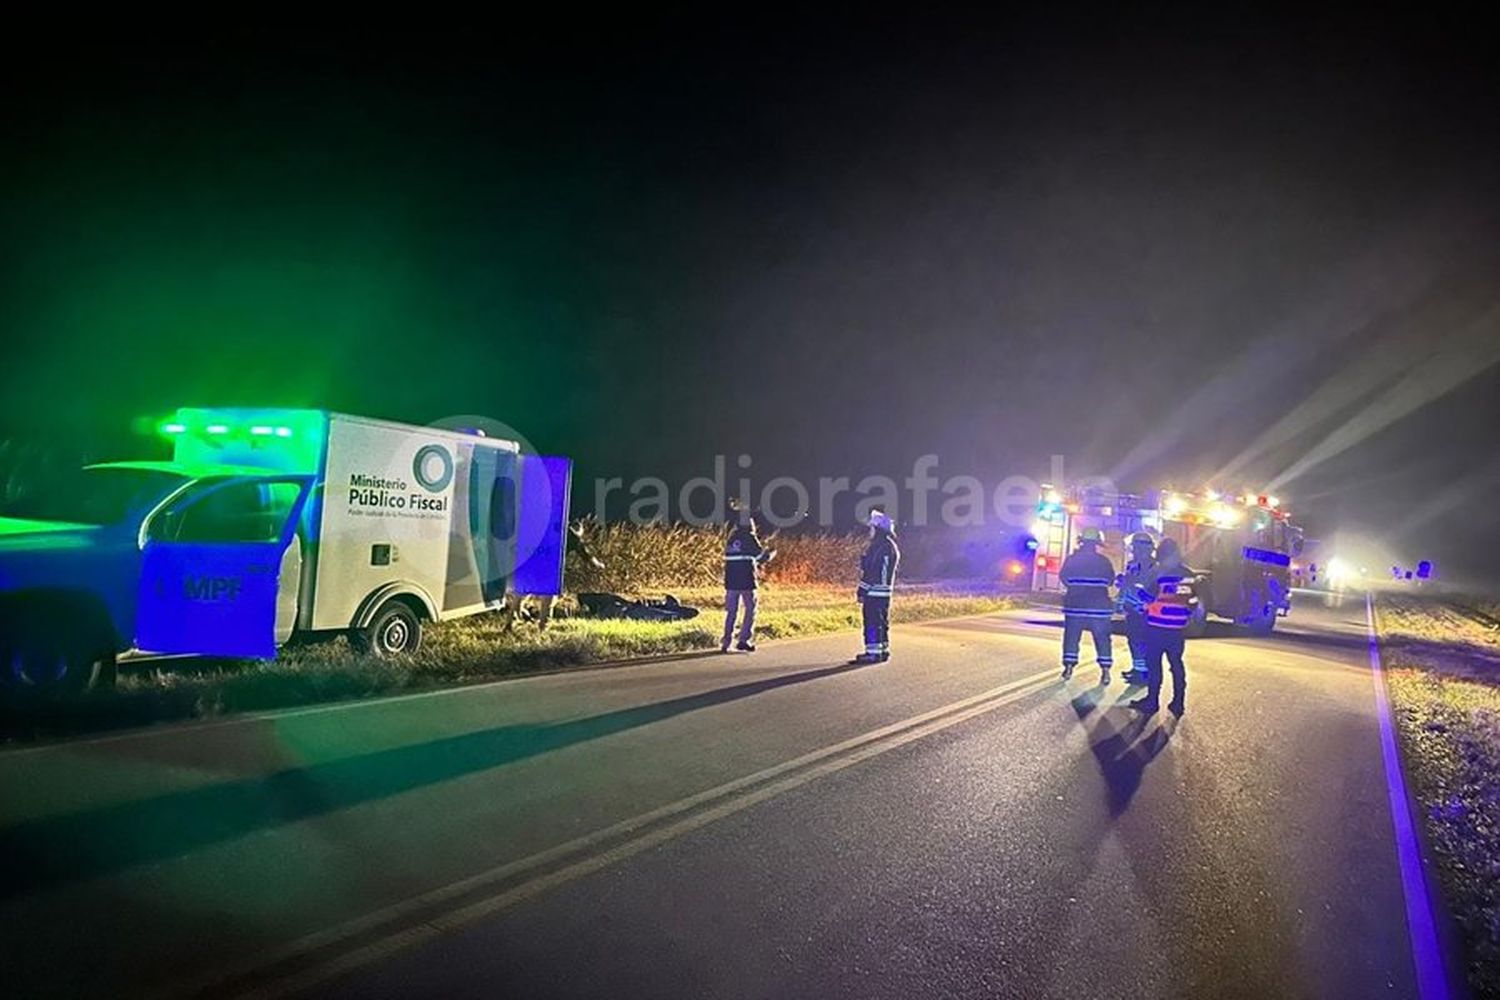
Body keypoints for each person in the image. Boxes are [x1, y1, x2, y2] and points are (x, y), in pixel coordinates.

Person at [1129, 536, 1194, 716]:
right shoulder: (1188, 574)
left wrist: (1138, 591)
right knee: (1176, 664)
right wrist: (1184, 615)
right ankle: (1178, 702)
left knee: (1154, 665)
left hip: (1156, 626)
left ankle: (1152, 701)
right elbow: (1192, 600)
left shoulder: (1159, 574)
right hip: (1178, 629)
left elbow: (1149, 598)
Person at [1059, 526, 1115, 683]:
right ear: (1097, 543)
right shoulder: (1104, 562)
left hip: (1075, 606)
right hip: (1099, 608)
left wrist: (1077, 586)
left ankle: (1069, 668)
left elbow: (1064, 578)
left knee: (1071, 637)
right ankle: (1105, 671)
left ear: (1081, 542)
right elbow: (1110, 581)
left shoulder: (1071, 560)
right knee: (1102, 638)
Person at [851, 509, 900, 664]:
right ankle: (882, 651)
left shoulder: (878, 547)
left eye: (872, 528)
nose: (870, 531)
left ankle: (872, 653)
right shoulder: (890, 546)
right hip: (885, 592)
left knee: (872, 622)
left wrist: (862, 589)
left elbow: (872, 571)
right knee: (881, 622)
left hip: (874, 592)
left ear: (878, 529)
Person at [722, 513, 775, 652]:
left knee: (731, 611)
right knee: (750, 609)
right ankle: (744, 640)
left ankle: (726, 642)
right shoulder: (749, 537)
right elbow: (760, 557)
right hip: (746, 580)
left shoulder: (731, 539)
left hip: (731, 581)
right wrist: (770, 554)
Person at [1116, 532, 1157, 685]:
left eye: (1139, 547)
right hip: (1131, 609)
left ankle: (1144, 672)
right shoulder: (1132, 564)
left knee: (1142, 641)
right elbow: (1127, 586)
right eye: (1135, 547)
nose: (1136, 550)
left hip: (1143, 610)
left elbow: (1151, 589)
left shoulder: (1154, 567)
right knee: (1133, 641)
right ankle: (1137, 669)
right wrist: (1120, 602)